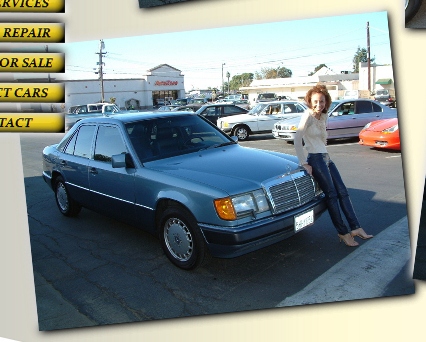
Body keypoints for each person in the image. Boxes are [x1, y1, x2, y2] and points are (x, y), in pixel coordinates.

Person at [294, 84, 373, 247]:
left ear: (326, 102)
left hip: (326, 157)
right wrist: (304, 163)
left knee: (343, 192)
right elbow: (297, 139)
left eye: (321, 101)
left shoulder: (323, 116)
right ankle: (343, 232)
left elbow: (322, 140)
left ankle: (355, 228)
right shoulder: (307, 116)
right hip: (315, 158)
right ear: (310, 101)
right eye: (315, 101)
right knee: (332, 195)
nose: (318, 105)